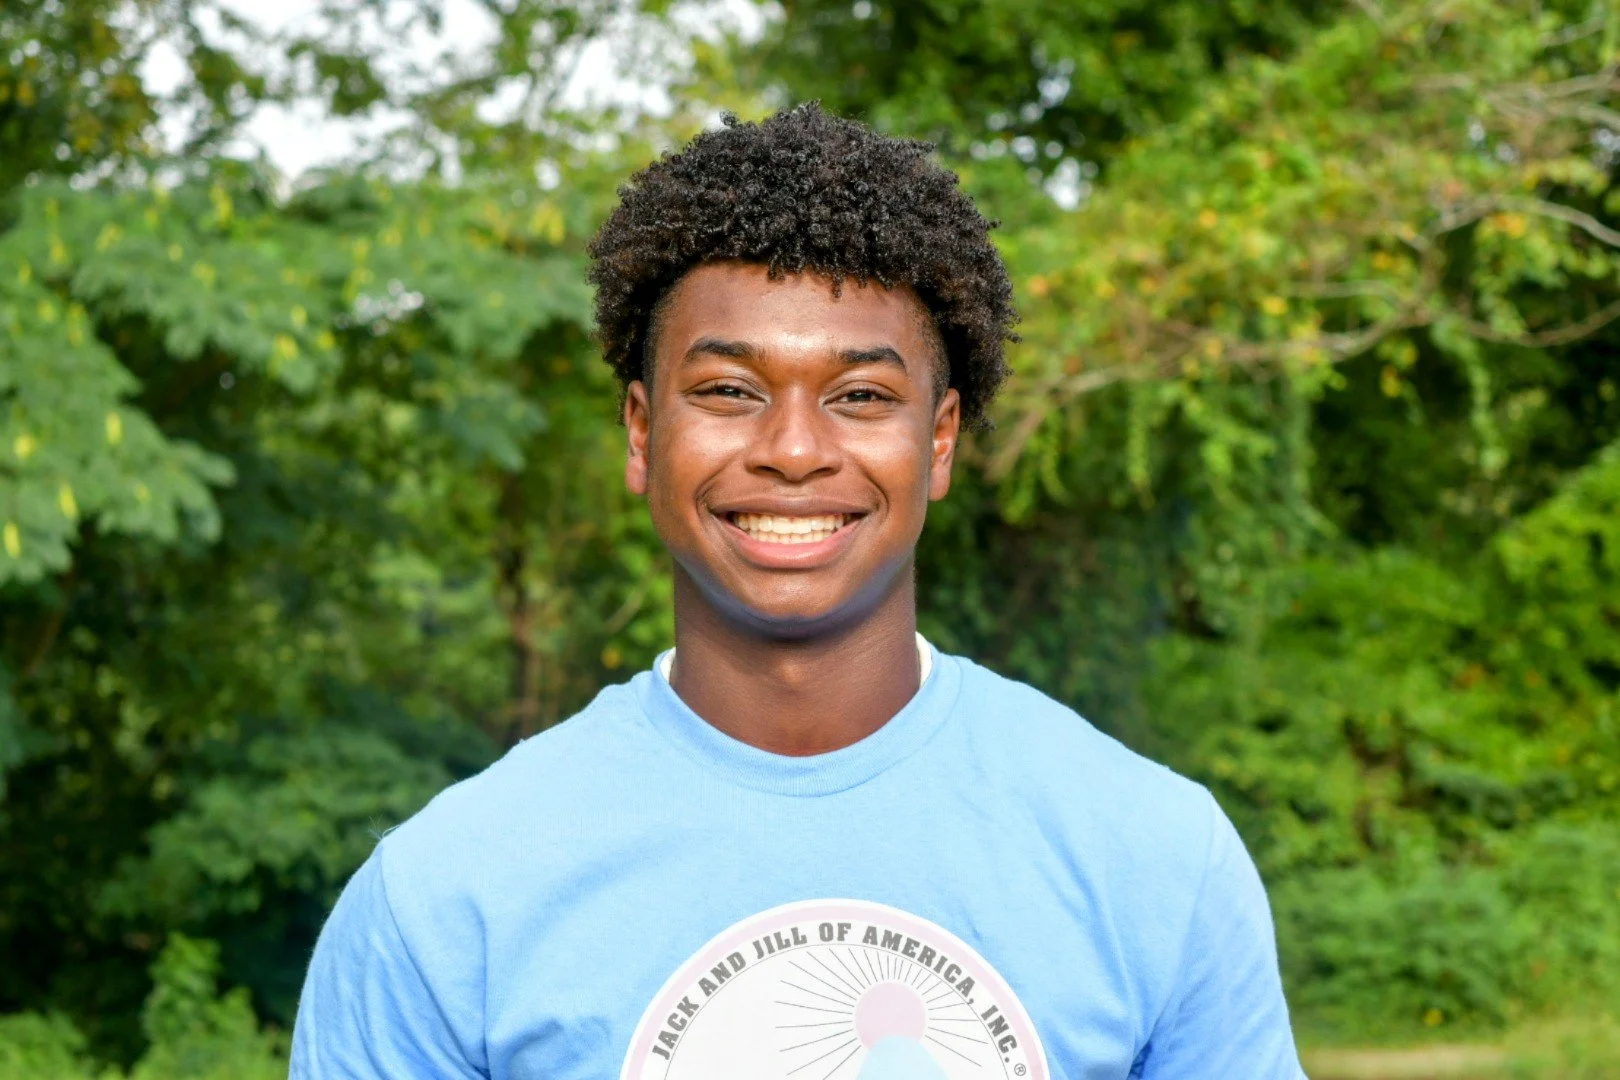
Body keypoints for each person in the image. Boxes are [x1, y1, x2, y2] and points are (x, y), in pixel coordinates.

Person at [290, 103, 1306, 1080]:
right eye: (729, 391)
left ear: (939, 440)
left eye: (860, 396)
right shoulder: (447, 896)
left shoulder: (1151, 856)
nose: (792, 449)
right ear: (642, 432)